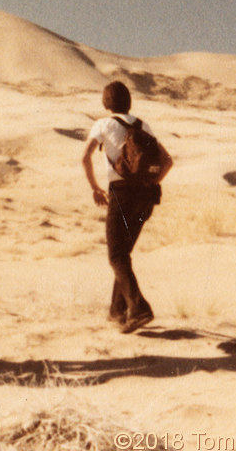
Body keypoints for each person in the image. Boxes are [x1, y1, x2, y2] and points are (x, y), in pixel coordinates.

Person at [82, 80, 173, 333]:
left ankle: (139, 308)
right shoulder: (144, 126)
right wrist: (150, 182)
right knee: (123, 255)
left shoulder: (103, 124)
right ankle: (117, 311)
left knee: (116, 256)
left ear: (106, 103)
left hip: (121, 194)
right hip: (146, 197)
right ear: (129, 101)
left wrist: (94, 187)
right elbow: (167, 161)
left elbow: (85, 156)